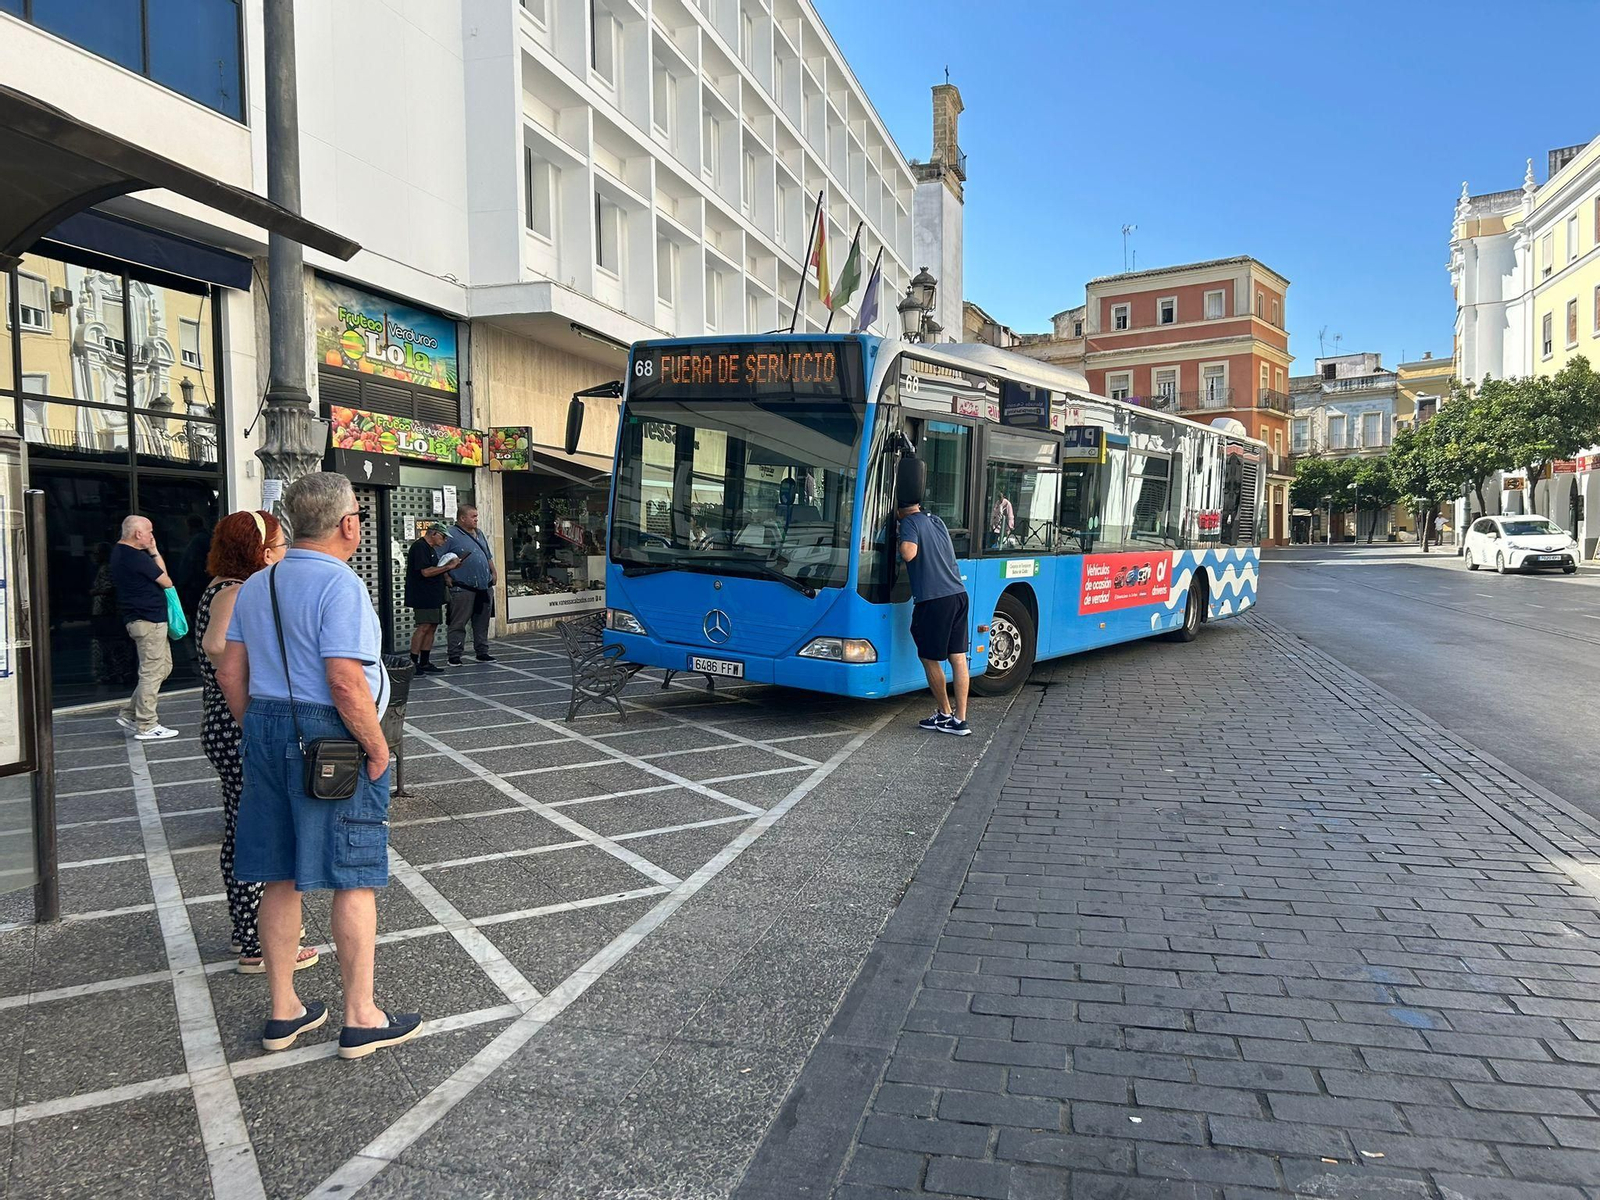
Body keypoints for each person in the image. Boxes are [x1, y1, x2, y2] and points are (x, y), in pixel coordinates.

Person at [217, 472, 421, 1059]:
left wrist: (259, 728)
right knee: (353, 872)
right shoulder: (341, 584)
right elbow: (344, 679)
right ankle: (361, 1016)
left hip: (264, 725)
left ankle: (284, 1011)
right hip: (330, 736)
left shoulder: (258, 584)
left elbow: (230, 672)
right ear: (348, 524)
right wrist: (378, 748)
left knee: (279, 874)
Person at [196, 510, 319, 975]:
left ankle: (251, 927)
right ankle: (255, 941)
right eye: (282, 545)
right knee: (255, 830)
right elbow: (216, 648)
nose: (286, 552)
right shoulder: (235, 591)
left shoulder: (226, 586)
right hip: (236, 724)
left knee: (244, 824)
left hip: (225, 723)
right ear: (263, 552)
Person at [898, 493, 972, 737]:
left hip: (934, 599)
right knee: (958, 658)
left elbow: (908, 553)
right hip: (958, 594)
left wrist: (900, 541)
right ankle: (960, 720)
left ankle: (944, 712)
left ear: (898, 510)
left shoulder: (909, 522)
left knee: (929, 658)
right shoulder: (936, 520)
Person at [111, 515, 179, 740]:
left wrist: (153, 551)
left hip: (143, 619)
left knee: (163, 668)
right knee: (151, 672)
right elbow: (166, 581)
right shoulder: (134, 556)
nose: (152, 536)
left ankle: (131, 714)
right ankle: (147, 724)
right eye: (149, 531)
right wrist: (154, 552)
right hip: (148, 620)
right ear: (138, 534)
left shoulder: (120, 553)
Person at [442, 504, 496, 665]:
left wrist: (494, 572)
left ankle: (482, 652)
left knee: (482, 622)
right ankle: (454, 655)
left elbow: (487, 556)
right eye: (473, 517)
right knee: (458, 622)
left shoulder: (479, 533)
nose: (476, 520)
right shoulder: (450, 534)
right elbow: (440, 560)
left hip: (484, 586)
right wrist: (446, 576)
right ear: (462, 518)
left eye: (476, 516)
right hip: (462, 586)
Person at [406, 525, 457, 675]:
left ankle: (425, 661)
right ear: (434, 534)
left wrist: (447, 572)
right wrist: (448, 566)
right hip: (423, 594)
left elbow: (435, 568)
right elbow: (426, 572)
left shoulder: (431, 549)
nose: (445, 540)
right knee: (424, 626)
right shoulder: (420, 547)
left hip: (433, 594)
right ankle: (413, 662)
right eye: (443, 537)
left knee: (432, 626)